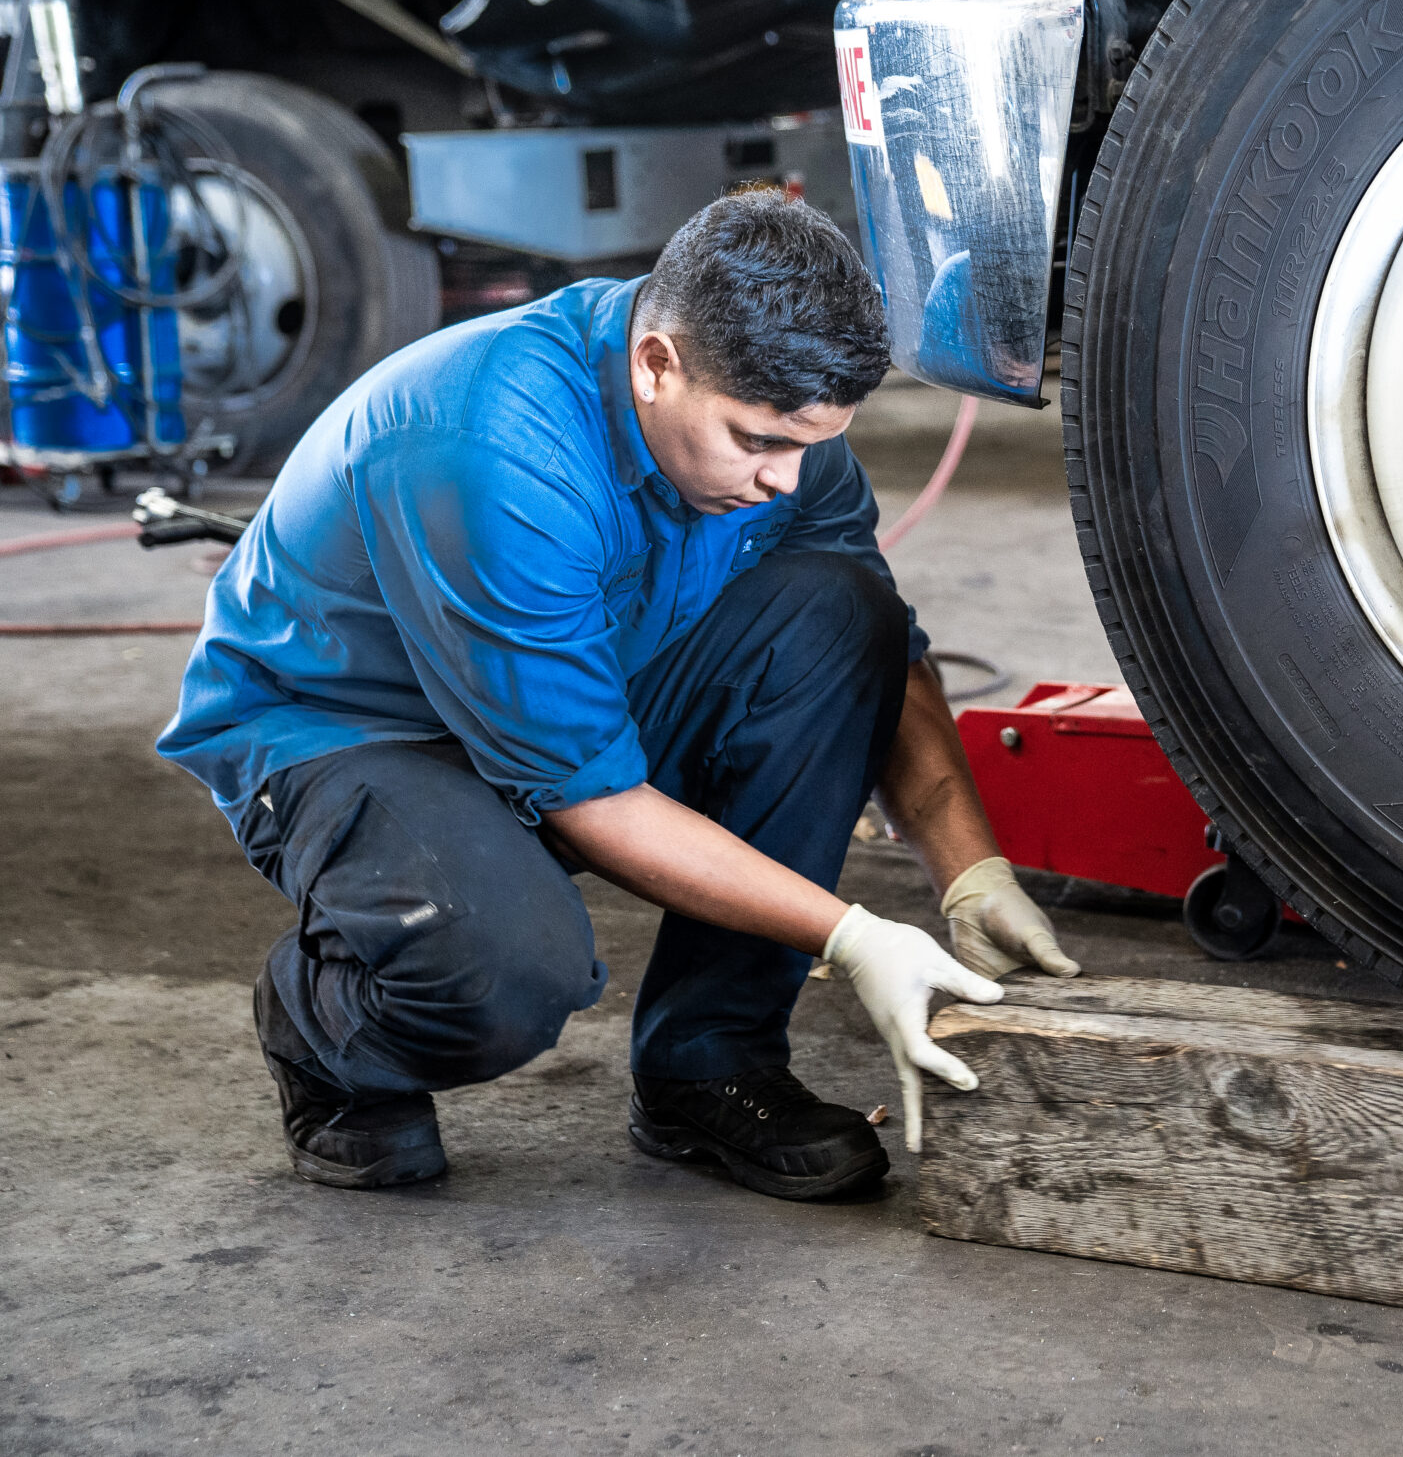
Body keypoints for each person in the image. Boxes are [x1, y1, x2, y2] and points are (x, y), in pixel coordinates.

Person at [159, 191, 1078, 1198]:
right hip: (347, 735)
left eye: (812, 441)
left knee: (841, 611)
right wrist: (850, 936)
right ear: (656, 364)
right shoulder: (493, 450)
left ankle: (709, 1064)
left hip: (561, 694)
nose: (787, 476)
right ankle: (323, 1035)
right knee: (503, 969)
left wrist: (968, 871)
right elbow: (590, 798)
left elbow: (877, 653)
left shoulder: (772, 426)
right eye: (758, 441)